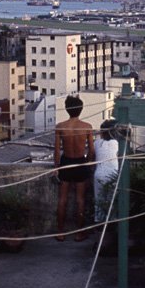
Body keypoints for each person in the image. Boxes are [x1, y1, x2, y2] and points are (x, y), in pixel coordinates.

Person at [53, 95, 94, 241]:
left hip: (66, 162)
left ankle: (60, 232)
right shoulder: (87, 127)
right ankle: (79, 233)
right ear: (81, 109)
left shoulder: (60, 126)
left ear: (66, 109)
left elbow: (57, 150)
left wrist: (56, 167)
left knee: (62, 199)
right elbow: (91, 151)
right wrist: (88, 163)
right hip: (80, 163)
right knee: (80, 200)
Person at [92, 119, 120, 222]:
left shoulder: (97, 143)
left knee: (99, 201)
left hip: (99, 174)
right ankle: (111, 222)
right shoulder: (117, 143)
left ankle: (98, 222)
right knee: (111, 201)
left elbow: (92, 157)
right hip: (113, 175)